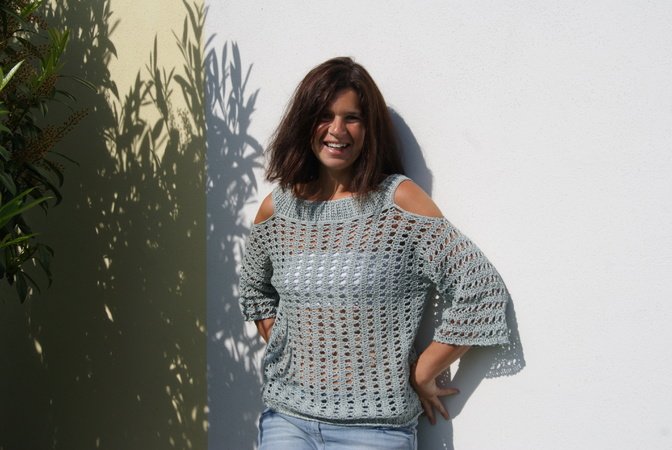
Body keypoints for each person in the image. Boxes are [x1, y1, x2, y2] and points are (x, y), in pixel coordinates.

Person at [238, 57, 510, 450]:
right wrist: (287, 346)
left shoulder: (398, 202)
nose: (337, 130)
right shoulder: (278, 209)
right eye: (325, 116)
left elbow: (481, 289)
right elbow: (255, 290)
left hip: (373, 431)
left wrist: (424, 371)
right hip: (288, 422)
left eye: (352, 118)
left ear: (369, 129)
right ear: (304, 123)